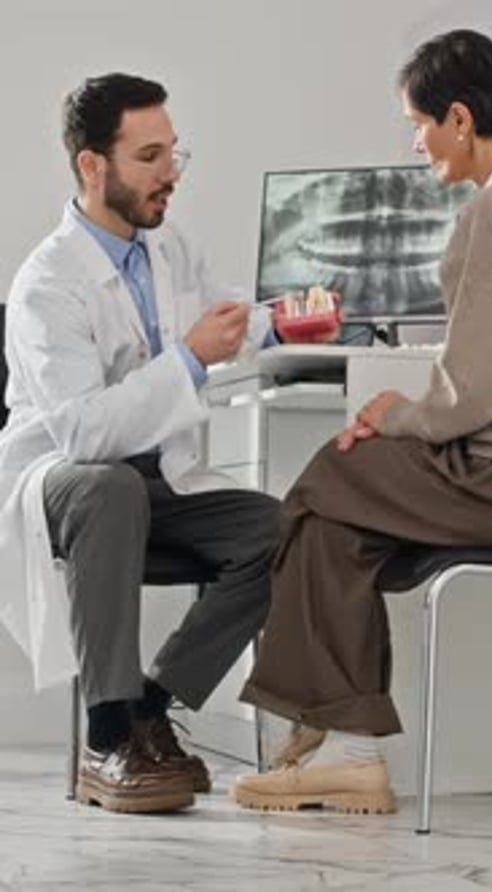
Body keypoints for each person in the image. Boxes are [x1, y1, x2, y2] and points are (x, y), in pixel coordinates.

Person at [233, 28, 492, 814]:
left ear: (458, 117)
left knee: (324, 483)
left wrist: (396, 415)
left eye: (416, 125)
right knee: (334, 518)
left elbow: (475, 395)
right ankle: (342, 753)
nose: (415, 145)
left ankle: (341, 747)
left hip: (488, 474)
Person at [0, 73, 280, 814]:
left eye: (174, 155)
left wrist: (285, 321)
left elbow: (230, 314)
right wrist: (189, 356)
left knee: (283, 529)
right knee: (110, 484)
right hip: (65, 482)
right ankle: (105, 736)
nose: (171, 176)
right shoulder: (46, 284)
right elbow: (85, 434)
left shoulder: (169, 245)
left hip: (163, 479)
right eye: (151, 157)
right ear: (93, 167)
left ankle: (149, 709)